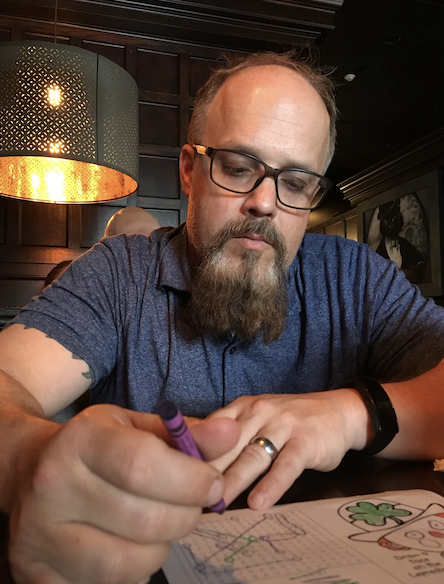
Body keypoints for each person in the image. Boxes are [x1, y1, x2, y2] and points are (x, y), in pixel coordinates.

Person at [0, 51, 444, 584]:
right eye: (238, 168)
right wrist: (29, 459)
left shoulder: (355, 278)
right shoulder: (118, 275)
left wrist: (352, 414)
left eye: (296, 182)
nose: (265, 203)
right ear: (189, 171)